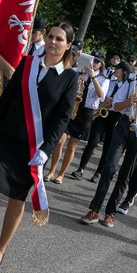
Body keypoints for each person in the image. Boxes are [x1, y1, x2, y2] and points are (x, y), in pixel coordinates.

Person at [0, 23, 78, 271]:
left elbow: (62, 118)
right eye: (50, 36)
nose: (53, 42)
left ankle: (0, 249)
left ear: (68, 45)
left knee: (16, 199)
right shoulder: (28, 63)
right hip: (8, 137)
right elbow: (6, 99)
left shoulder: (70, 77)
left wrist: (46, 149)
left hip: (34, 146)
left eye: (59, 39)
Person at [79, 54, 137, 228]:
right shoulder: (133, 83)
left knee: (126, 173)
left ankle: (111, 213)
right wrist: (128, 102)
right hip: (124, 126)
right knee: (109, 168)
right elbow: (115, 106)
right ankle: (94, 210)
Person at [44, 50, 109, 183]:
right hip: (71, 108)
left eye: (97, 61)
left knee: (72, 145)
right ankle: (52, 171)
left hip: (86, 112)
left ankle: (61, 174)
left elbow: (101, 96)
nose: (94, 63)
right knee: (59, 141)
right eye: (92, 60)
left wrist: (93, 77)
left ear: (101, 64)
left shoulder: (103, 79)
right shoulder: (78, 72)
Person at [69, 61, 132, 182]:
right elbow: (101, 96)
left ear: (123, 71)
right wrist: (105, 101)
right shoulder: (111, 82)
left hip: (116, 117)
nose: (115, 71)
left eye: (117, 69)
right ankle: (81, 169)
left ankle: (98, 173)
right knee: (92, 142)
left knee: (107, 147)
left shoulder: (128, 86)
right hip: (102, 115)